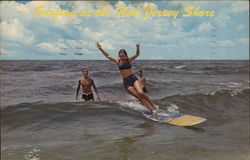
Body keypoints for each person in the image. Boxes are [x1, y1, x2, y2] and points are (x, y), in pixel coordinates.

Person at [96, 42, 159, 114]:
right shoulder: (117, 61)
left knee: (140, 92)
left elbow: (137, 54)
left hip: (133, 78)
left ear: (126, 55)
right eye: (120, 55)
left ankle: (153, 105)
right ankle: (151, 110)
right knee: (139, 97)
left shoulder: (129, 60)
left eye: (123, 55)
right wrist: (100, 48)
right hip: (126, 82)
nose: (122, 56)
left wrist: (137, 48)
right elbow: (107, 55)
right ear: (119, 55)